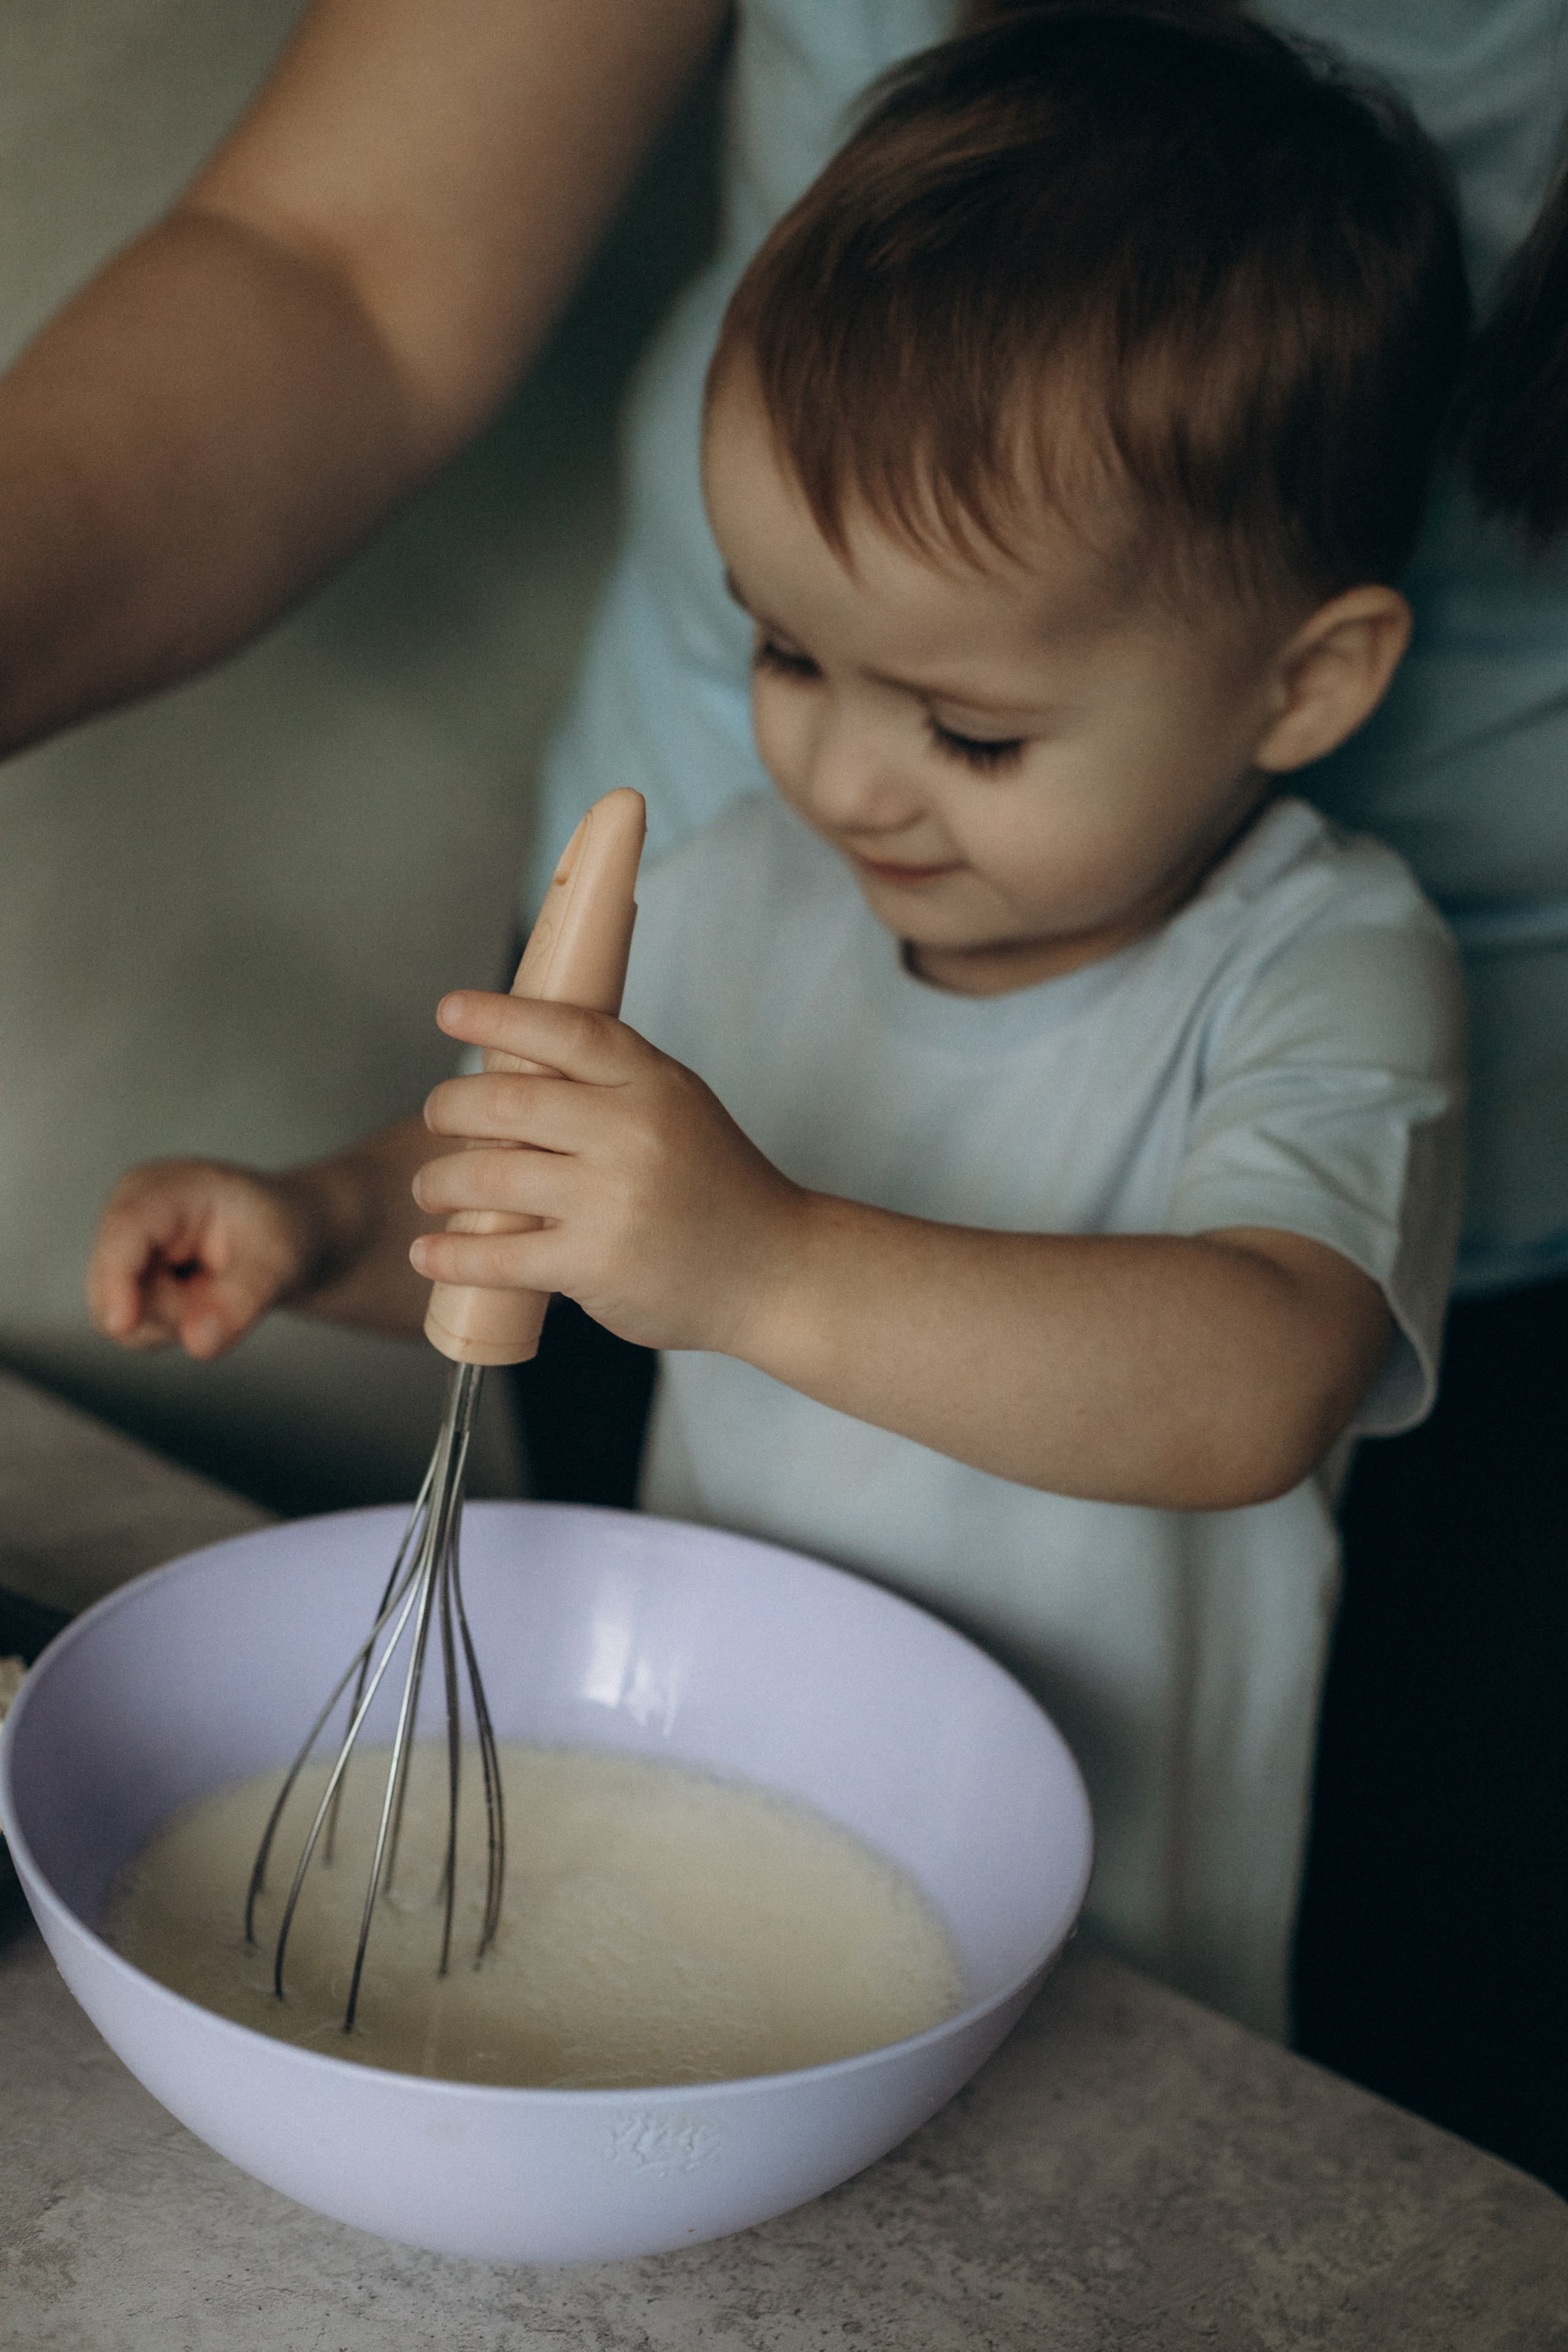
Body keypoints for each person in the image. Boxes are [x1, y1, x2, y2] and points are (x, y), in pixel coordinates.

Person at [8, 0, 1562, 2174]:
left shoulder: (1324, 971)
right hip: (723, 1850)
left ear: (1309, 679)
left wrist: (752, 1262)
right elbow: (535, 1202)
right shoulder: (759, 886)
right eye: (784, 652)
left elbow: (1260, 1382)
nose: (840, 773)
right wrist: (332, 1223)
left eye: (973, 730)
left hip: (1126, 1965)